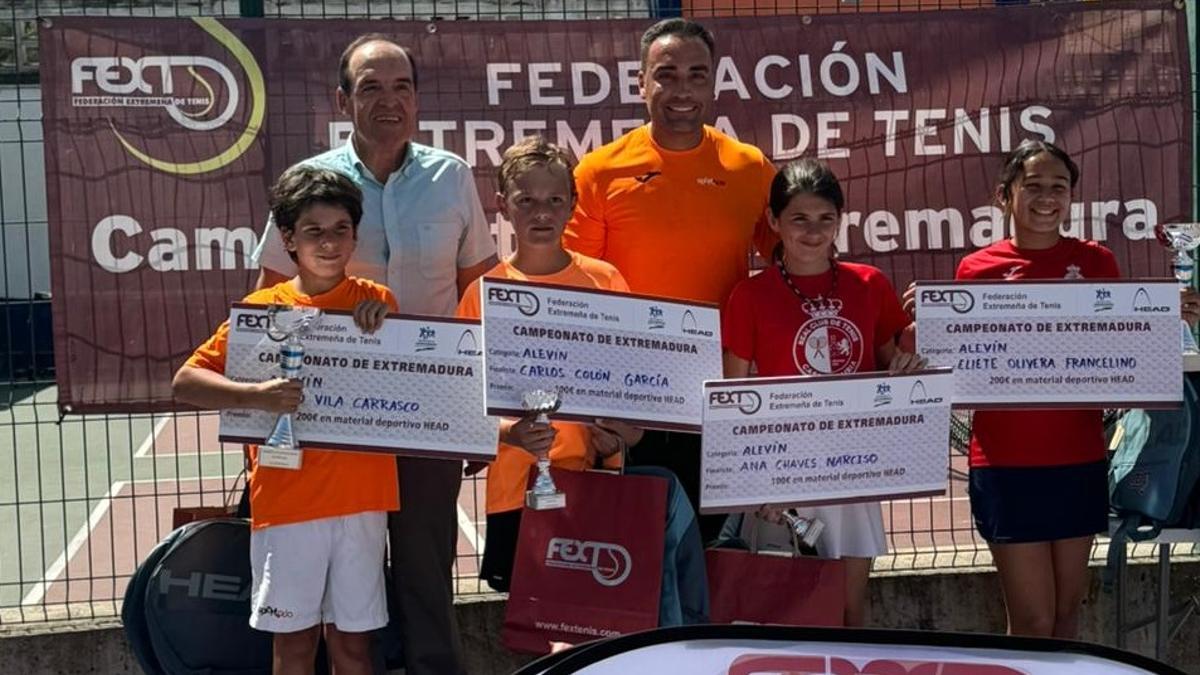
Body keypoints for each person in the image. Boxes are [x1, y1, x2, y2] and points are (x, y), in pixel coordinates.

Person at [251, 34, 497, 675]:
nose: (389, 101)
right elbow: (267, 304)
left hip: (430, 410)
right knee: (342, 590)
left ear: (416, 97)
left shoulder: (453, 177)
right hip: (333, 421)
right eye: (371, 87)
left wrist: (478, 409)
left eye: (401, 87)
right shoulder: (310, 184)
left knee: (424, 569)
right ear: (342, 99)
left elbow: (481, 294)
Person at [933, 139, 1200, 638]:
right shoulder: (976, 270)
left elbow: (1121, 349)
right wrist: (925, 321)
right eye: (1032, 185)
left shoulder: (1097, 262)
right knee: (1032, 621)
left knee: (1066, 617)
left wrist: (1167, 319)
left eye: (1059, 187)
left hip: (1078, 460)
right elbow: (958, 356)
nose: (1046, 197)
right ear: (1004, 195)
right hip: (1005, 465)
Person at [174, 166, 398, 675]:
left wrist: (385, 321)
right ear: (289, 240)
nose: (329, 242)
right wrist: (257, 395)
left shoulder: (377, 302)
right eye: (314, 231)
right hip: (287, 502)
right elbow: (184, 381)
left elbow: (402, 375)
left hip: (361, 503)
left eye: (341, 229)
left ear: (355, 234)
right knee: (293, 646)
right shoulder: (259, 313)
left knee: (354, 648)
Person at [564, 18, 777, 540]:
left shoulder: (750, 169)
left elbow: (789, 270)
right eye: (667, 75)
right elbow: (573, 290)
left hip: (714, 393)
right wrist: (588, 402)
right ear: (641, 83)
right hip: (626, 396)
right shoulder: (599, 171)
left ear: (714, 82)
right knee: (630, 551)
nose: (682, 90)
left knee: (705, 551)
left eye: (696, 75)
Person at [721, 158, 924, 627]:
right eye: (799, 219)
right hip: (783, 472)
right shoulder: (748, 296)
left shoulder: (869, 284)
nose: (813, 232)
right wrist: (758, 482)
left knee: (851, 610)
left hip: (853, 470)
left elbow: (890, 363)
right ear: (773, 222)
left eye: (825, 219)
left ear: (840, 220)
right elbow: (735, 397)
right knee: (792, 615)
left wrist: (909, 364)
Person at [456, 136, 640, 591]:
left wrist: (618, 432)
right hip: (515, 491)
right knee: (527, 623)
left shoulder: (606, 279)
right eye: (526, 200)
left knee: (590, 616)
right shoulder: (482, 294)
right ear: (502, 205)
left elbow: (634, 388)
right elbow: (460, 405)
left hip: (594, 481)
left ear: (574, 203)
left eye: (555, 200)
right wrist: (508, 432)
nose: (542, 213)